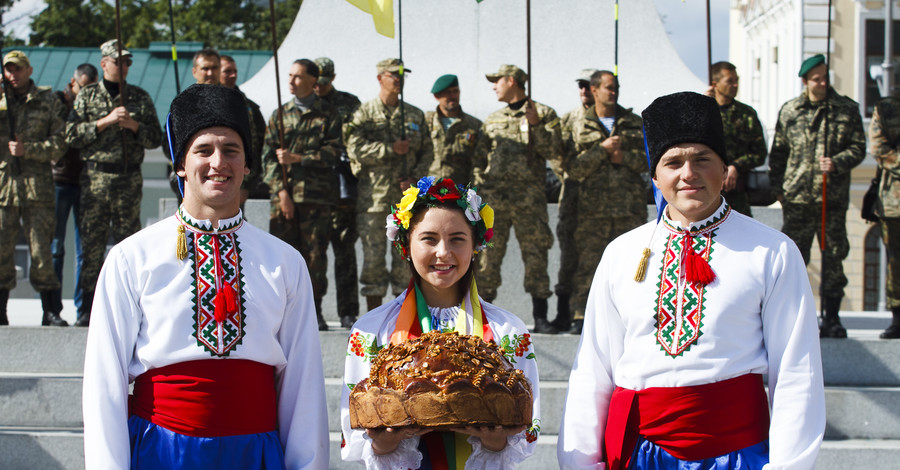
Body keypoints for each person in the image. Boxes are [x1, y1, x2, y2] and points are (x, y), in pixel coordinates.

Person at [557, 91, 825, 469]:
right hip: (639, 454)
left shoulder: (772, 251)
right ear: (655, 175)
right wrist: (581, 463)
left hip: (734, 455)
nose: (688, 174)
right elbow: (593, 369)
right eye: (673, 162)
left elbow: (798, 371)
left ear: (724, 168)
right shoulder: (622, 253)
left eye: (702, 159)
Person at [82, 84, 329, 469]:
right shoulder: (132, 257)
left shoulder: (284, 261)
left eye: (231, 150)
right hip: (162, 452)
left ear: (247, 164)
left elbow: (303, 383)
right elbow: (104, 380)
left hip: (255, 454)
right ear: (180, 164)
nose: (219, 162)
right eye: (203, 150)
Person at [340, 176, 540, 469]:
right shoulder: (371, 331)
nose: (443, 252)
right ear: (406, 245)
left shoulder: (507, 331)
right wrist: (383, 444)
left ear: (475, 247)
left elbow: (527, 428)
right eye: (429, 239)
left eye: (457, 239)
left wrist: (496, 443)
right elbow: (355, 430)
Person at [65, 39, 162, 325]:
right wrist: (104, 122)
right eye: (118, 61)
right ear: (104, 63)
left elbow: (156, 137)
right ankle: (86, 309)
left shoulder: (140, 96)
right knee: (92, 245)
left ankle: (128, 309)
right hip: (95, 178)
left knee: (128, 245)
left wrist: (134, 126)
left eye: (128, 62)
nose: (124, 66)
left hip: (127, 177)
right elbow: (71, 135)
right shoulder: (87, 96)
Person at [769, 54, 866, 338]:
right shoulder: (790, 111)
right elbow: (779, 153)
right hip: (797, 197)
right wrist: (779, 190)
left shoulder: (846, 109)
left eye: (825, 77)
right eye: (816, 79)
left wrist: (838, 161)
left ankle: (832, 318)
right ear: (805, 81)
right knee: (794, 258)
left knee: (834, 256)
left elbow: (859, 147)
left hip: (830, 197)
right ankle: (790, 317)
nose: (822, 83)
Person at [475, 64, 563, 333]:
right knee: (487, 258)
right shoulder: (492, 120)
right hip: (496, 200)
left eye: (497, 81)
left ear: (511, 81)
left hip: (529, 199)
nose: (494, 86)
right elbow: (479, 158)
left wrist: (536, 126)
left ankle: (540, 316)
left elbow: (556, 150)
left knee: (535, 254)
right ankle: (481, 318)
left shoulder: (543, 114)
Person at [345, 58, 433, 312]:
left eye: (402, 75)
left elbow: (428, 153)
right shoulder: (364, 113)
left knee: (405, 258)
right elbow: (355, 147)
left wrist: (415, 180)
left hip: (406, 200)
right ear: (379, 78)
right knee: (372, 261)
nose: (399, 79)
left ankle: (403, 315)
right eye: (393, 75)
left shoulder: (415, 114)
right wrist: (389, 149)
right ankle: (374, 315)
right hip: (373, 198)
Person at [262, 58, 342, 331]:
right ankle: (278, 310)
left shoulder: (328, 114)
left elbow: (333, 153)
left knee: (315, 257)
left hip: (317, 198)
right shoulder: (279, 115)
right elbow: (268, 158)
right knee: (280, 256)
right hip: (284, 199)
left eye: (298, 76)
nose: (292, 81)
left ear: (313, 80)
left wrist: (299, 158)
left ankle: (314, 310)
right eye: (290, 76)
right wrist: (281, 192)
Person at [565, 70, 646, 336]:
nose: (613, 92)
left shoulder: (633, 121)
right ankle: (580, 315)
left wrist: (624, 158)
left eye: (616, 87)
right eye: (608, 88)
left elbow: (651, 161)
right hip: (592, 210)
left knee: (633, 265)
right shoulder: (578, 123)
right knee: (588, 263)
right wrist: (602, 150)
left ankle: (634, 314)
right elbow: (572, 168)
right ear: (595, 90)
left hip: (629, 208)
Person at [0, 50, 68, 326]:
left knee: (41, 251)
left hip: (36, 187)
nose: (12, 75)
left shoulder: (46, 101)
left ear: (29, 70)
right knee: (1, 249)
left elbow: (60, 142)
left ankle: (50, 311)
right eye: (8, 70)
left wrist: (29, 150)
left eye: (17, 69)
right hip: (4, 187)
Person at [314, 56, 362, 328]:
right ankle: (316, 310)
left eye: (324, 81)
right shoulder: (308, 105)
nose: (319, 87)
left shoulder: (349, 103)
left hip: (343, 188)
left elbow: (356, 138)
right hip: (316, 191)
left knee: (345, 252)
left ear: (332, 78)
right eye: (316, 81)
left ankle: (348, 311)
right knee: (315, 255)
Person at [51, 63, 98, 327]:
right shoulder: (58, 102)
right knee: (56, 247)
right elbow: (64, 136)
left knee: (85, 249)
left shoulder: (93, 104)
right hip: (59, 180)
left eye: (91, 88)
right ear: (73, 83)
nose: (86, 94)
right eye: (83, 88)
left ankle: (83, 309)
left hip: (84, 181)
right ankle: (54, 309)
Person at [553, 68, 599, 334]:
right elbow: (559, 159)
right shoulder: (569, 120)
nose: (584, 91)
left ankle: (583, 313)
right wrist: (570, 176)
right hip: (572, 199)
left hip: (599, 204)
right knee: (569, 257)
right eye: (581, 86)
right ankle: (563, 312)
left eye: (588, 86)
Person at [704, 61, 767, 217]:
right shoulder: (704, 112)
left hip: (736, 196)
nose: (735, 85)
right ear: (715, 84)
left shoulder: (746, 114)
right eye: (729, 81)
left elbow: (759, 153)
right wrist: (702, 105)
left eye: (736, 80)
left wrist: (736, 166)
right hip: (706, 193)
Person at [868, 93, 900, 339]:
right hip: (894, 199)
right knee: (896, 262)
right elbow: (878, 147)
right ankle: (898, 317)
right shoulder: (887, 107)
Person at [220, 54, 269, 201]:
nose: (233, 75)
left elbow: (259, 146)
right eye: (227, 71)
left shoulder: (249, 107)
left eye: (235, 71)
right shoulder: (203, 104)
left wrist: (246, 183)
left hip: (240, 181)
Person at [424, 74, 483, 184]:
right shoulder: (426, 122)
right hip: (430, 190)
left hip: (459, 192)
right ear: (437, 96)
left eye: (455, 91)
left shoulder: (474, 125)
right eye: (447, 93)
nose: (452, 96)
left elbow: (479, 161)